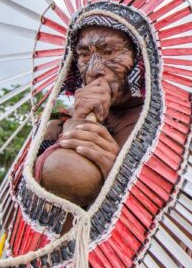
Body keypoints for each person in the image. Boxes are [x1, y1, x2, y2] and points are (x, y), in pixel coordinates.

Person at [34, 16, 146, 208]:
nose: (94, 70)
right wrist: (75, 126)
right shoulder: (54, 127)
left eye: (109, 52)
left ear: (142, 59)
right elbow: (21, 203)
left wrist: (120, 178)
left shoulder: (178, 132)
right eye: (84, 55)